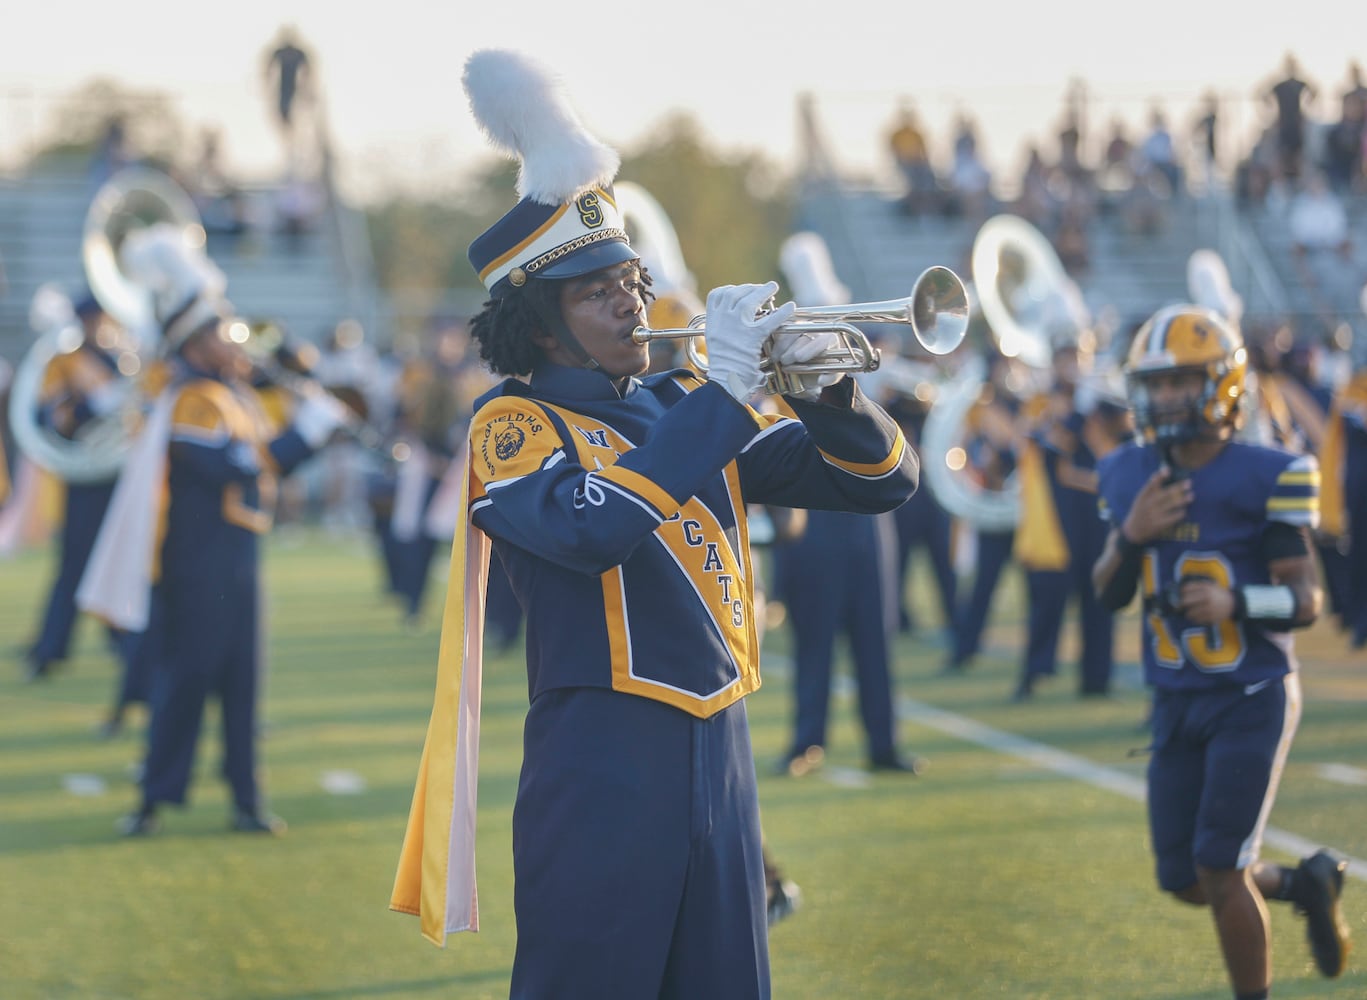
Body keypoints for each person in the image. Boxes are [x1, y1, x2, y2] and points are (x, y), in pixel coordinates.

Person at [390, 49, 918, 998]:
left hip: (721, 751)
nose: (632, 303)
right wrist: (724, 390)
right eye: (598, 293)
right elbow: (594, 528)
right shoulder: (511, 425)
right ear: (538, 327)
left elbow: (876, 482)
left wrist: (826, 388)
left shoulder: (680, 399)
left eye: (630, 280)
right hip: (601, 763)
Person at [1093, 304, 1350, 998]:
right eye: (1156, 383)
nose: (1166, 397)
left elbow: (1304, 602)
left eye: (1182, 381)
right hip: (1173, 697)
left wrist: (1236, 602)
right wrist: (1132, 535)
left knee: (1217, 867)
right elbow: (1107, 592)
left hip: (1249, 693)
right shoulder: (1125, 471)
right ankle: (1305, 883)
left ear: (1223, 385)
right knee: (1182, 876)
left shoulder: (1264, 473)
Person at [86, 224, 350, 836]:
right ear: (194, 342)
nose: (234, 341)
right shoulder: (193, 400)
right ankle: (153, 798)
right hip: (197, 561)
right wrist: (307, 433)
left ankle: (245, 798)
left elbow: (262, 466)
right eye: (220, 332)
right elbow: (237, 468)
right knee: (187, 680)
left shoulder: (232, 395)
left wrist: (314, 428)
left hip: (237, 557)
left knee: (241, 683)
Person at [22, 291, 138, 683]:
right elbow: (53, 419)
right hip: (85, 475)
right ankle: (50, 649)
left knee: (121, 560)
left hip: (120, 473)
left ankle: (123, 642)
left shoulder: (126, 357)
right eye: (94, 319)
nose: (101, 326)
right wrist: (92, 407)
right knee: (74, 563)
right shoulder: (64, 362)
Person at [1011, 327, 1128, 700]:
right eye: (1066, 357)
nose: (1072, 365)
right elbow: (1036, 440)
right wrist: (1070, 413)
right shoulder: (1044, 403)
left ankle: (1097, 678)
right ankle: (1034, 672)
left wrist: (1093, 408)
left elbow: (1118, 445)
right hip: (1055, 515)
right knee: (1048, 597)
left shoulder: (1104, 402)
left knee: (1100, 590)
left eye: (1078, 356)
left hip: (1096, 510)